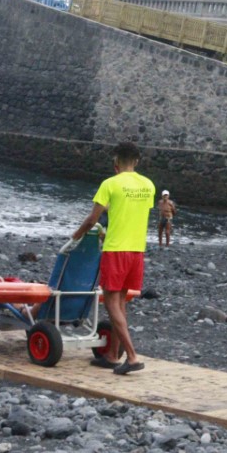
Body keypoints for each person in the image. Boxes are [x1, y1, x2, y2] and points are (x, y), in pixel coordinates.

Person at [70, 142, 155, 375]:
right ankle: (111, 355)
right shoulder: (148, 185)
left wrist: (76, 235)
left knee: (110, 302)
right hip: (137, 250)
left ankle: (132, 356)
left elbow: (91, 219)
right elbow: (133, 211)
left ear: (115, 161)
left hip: (116, 249)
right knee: (121, 304)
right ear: (136, 161)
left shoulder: (110, 183)